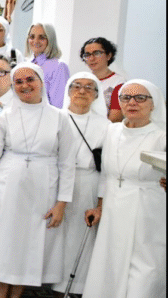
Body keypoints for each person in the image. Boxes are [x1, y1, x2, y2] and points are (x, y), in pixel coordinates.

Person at [0, 63, 75, 298]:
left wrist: (61, 204)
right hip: (6, 192)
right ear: (13, 86)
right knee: (3, 248)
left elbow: (67, 164)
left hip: (43, 192)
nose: (25, 85)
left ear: (41, 82)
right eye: (19, 81)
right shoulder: (6, 116)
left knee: (25, 250)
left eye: (30, 80)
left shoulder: (60, 118)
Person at [82, 80, 166, 298]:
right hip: (113, 207)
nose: (132, 102)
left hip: (147, 209)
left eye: (140, 98)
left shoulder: (161, 136)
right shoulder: (112, 131)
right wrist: (99, 206)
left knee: (145, 270)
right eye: (126, 97)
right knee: (109, 264)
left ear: (153, 104)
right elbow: (106, 175)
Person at [50, 72, 110, 296]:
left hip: (88, 184)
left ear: (96, 95)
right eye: (77, 86)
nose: (82, 91)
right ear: (68, 91)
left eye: (89, 88)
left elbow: (106, 165)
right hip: (57, 183)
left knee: (80, 237)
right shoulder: (56, 117)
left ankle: (79, 286)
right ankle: (54, 284)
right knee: (58, 236)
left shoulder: (105, 126)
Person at [79, 37, 126, 122]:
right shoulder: (81, 80)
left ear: (108, 55)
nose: (92, 58)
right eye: (87, 55)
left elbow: (115, 119)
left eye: (96, 53)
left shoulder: (119, 83)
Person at [26, 22, 69, 108]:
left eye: (42, 37)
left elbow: (58, 104)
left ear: (50, 39)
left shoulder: (59, 66)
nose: (35, 41)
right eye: (32, 37)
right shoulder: (26, 64)